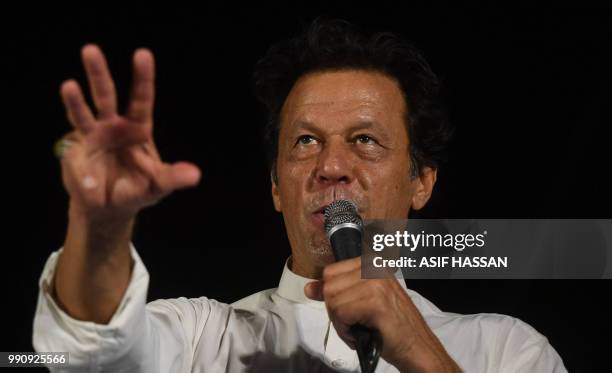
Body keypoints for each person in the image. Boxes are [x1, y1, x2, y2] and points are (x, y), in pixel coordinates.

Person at [33, 18, 567, 372]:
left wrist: (421, 354)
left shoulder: (505, 349)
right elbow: (89, 348)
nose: (331, 167)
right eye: (306, 141)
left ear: (421, 181)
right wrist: (99, 227)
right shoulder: (201, 339)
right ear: (275, 187)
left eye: (365, 140)